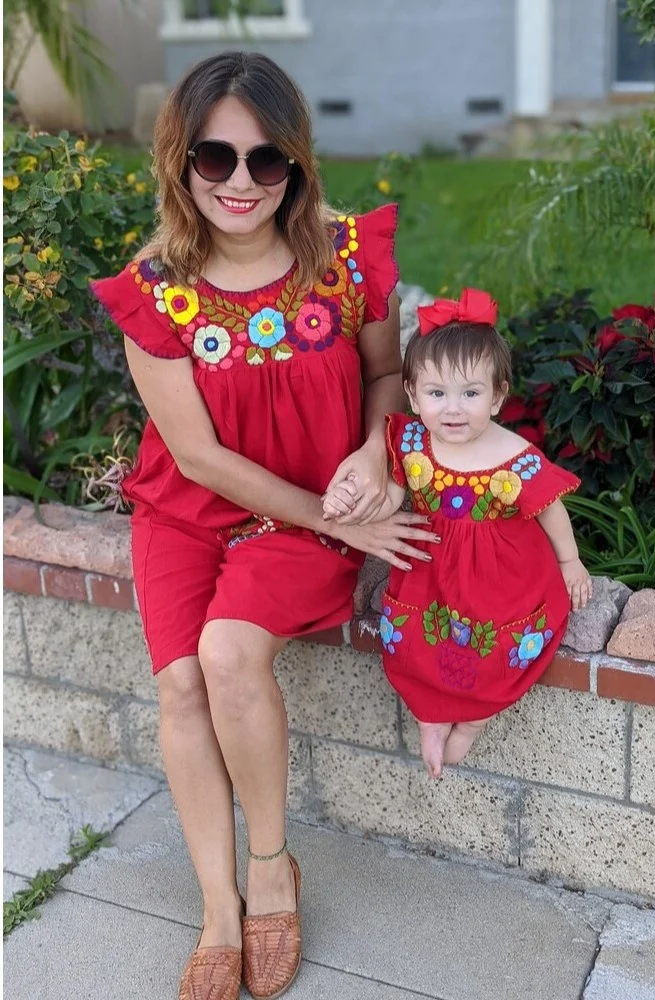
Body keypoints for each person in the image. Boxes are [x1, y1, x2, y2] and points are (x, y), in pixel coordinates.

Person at [91, 51, 436, 1000]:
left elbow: (386, 373)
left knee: (229, 655)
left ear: (296, 161)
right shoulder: (155, 289)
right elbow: (197, 459)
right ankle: (217, 907)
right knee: (179, 684)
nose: (239, 182)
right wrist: (344, 523)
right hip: (191, 509)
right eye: (215, 157)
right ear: (180, 161)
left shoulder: (346, 256)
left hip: (308, 513)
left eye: (265, 159)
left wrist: (374, 459)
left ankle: (272, 870)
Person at [324, 289, 592, 780]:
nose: (453, 409)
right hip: (432, 574)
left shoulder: (513, 456)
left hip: (500, 578)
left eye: (471, 394)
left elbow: (550, 510)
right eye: (437, 394)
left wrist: (569, 562)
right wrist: (354, 506)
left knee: (497, 649)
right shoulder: (411, 442)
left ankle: (474, 719)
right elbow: (392, 495)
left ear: (497, 397)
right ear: (412, 395)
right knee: (415, 643)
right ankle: (430, 714)